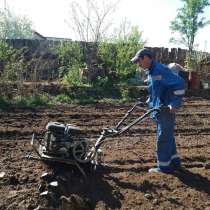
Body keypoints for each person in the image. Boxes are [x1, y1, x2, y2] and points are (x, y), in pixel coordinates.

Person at [131, 48, 185, 173]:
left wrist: (174, 103)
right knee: (168, 136)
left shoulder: (159, 70)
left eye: (139, 61)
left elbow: (180, 83)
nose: (138, 64)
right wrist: (150, 100)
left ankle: (164, 167)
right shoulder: (152, 71)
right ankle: (174, 162)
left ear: (146, 58)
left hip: (165, 109)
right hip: (159, 108)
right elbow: (157, 88)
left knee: (163, 137)